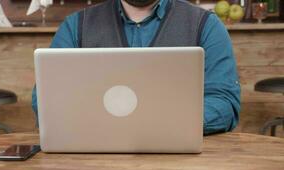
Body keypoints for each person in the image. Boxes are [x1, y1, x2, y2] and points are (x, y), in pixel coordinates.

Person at [32, 0, 241, 135]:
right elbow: (45, 97)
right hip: (91, 165)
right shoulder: (76, 26)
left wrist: (168, 123)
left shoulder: (205, 25)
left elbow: (224, 102)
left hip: (181, 165)